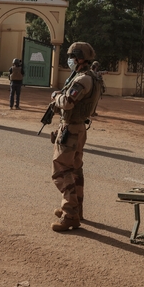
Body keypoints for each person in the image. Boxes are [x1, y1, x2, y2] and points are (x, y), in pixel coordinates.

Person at [50, 42, 102, 232]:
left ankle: (70, 213)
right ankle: (75, 208)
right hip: (78, 128)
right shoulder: (90, 77)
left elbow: (68, 102)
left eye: (73, 57)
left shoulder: (82, 80)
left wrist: (56, 96)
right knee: (75, 169)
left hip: (71, 129)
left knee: (61, 171)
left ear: (81, 58)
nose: (70, 60)